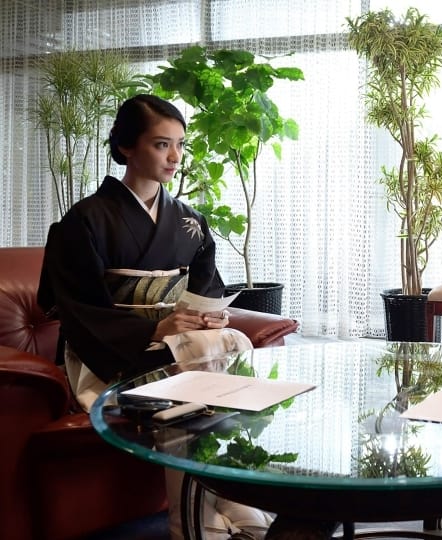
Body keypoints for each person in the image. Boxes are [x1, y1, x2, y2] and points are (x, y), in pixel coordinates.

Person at [38, 94, 272, 540]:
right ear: (126, 146)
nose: (175, 157)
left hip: (179, 346)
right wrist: (156, 328)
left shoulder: (190, 221)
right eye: (162, 144)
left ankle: (222, 503)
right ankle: (205, 517)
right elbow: (79, 311)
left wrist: (211, 318)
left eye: (180, 144)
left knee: (231, 344)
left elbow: (206, 292)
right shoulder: (84, 220)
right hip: (108, 353)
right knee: (198, 374)